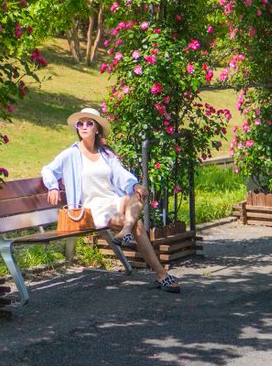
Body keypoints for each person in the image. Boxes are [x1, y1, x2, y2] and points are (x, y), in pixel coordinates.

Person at [40, 105, 181, 294]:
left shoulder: (105, 153)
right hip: (92, 209)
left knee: (138, 193)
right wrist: (53, 186)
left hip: (113, 200)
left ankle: (125, 231)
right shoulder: (70, 154)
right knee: (137, 225)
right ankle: (161, 274)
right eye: (80, 123)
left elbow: (120, 173)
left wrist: (134, 185)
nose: (84, 126)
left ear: (96, 128)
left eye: (89, 123)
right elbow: (48, 170)